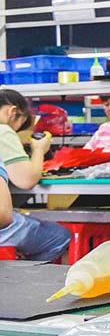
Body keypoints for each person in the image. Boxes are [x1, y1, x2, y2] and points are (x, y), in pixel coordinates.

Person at [0, 89, 70, 261]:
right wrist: (39, 149)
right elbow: (26, 180)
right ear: (12, 112)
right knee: (59, 237)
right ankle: (26, 275)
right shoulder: (3, 130)